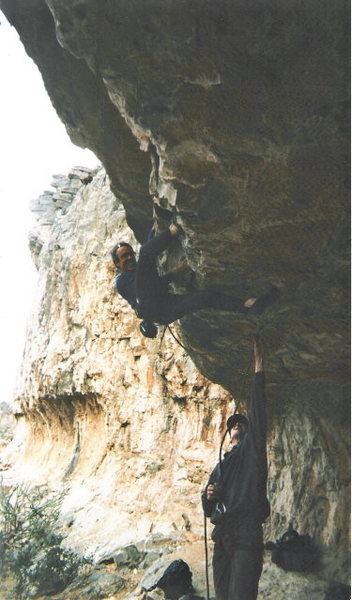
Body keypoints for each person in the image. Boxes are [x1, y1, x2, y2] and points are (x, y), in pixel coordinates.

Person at [111, 225, 277, 335]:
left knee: (206, 297)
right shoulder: (122, 282)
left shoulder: (139, 273)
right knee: (147, 252)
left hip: (166, 307)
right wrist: (175, 273)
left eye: (130, 254)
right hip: (153, 308)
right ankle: (174, 229)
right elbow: (148, 287)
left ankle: (247, 306)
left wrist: (177, 272)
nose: (129, 257)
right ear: (117, 264)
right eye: (124, 257)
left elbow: (153, 284)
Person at [201, 335, 269, 600]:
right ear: (228, 434)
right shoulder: (221, 466)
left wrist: (259, 369)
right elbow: (207, 506)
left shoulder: (252, 454)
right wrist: (209, 496)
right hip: (222, 536)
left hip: (246, 534)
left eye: (241, 423)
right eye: (232, 425)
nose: (236, 425)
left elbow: (260, 414)